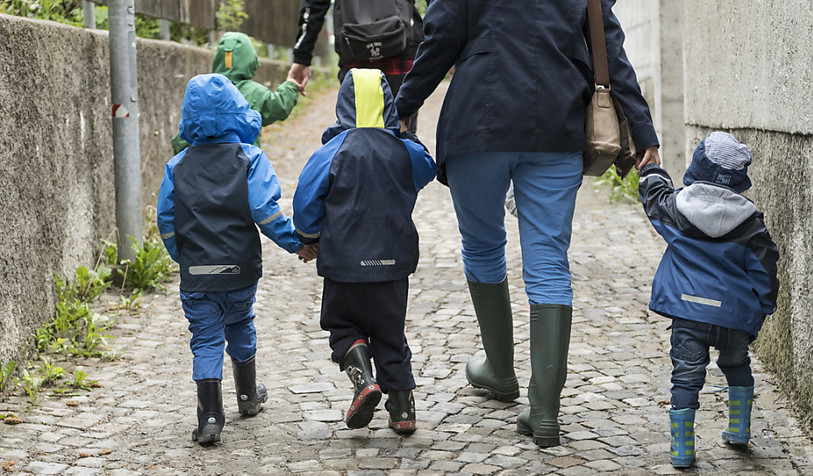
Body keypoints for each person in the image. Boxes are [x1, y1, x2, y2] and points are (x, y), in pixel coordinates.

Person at [393, 0, 661, 447]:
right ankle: (545, 412)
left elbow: (439, 37)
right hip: (556, 124)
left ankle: (499, 370)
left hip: (479, 123)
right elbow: (610, 49)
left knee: (481, 246)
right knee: (549, 262)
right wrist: (644, 131)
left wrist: (405, 105)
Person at [157, 73, 316, 445]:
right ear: (237, 111)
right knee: (241, 322)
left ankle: (210, 415)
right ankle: (247, 396)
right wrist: (297, 244)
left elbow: (166, 221)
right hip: (240, 269)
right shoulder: (251, 158)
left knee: (205, 338)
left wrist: (183, 257)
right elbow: (265, 210)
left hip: (197, 272)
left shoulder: (176, 166)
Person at [292, 68, 437, 434]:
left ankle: (364, 382)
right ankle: (402, 408)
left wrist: (309, 236)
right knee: (391, 334)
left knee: (342, 326)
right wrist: (403, 134)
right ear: (388, 104)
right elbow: (428, 167)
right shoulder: (404, 152)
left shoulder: (330, 152)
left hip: (343, 264)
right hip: (392, 265)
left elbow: (306, 204)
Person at [638, 132, 779, 467]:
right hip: (733, 318)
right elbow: (765, 269)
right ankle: (739, 430)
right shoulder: (751, 224)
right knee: (736, 365)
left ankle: (683, 450)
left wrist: (652, 171)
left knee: (686, 375)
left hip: (688, 314)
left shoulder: (678, 211)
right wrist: (764, 306)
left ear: (697, 166)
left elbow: (653, 199)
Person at [288, 0, 425, 127]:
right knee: (401, 132)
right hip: (401, 45)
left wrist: (302, 57)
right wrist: (445, 46)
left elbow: (314, 4)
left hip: (354, 45)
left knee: (356, 132)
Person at [171, 32, 300, 154]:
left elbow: (182, 138)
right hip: (243, 166)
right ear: (251, 60)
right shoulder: (254, 92)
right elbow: (278, 106)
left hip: (202, 168)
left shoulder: (204, 91)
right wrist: (291, 85)